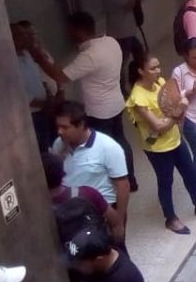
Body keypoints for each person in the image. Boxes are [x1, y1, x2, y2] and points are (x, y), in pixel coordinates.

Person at [30, 11, 136, 190]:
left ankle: (115, 182)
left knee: (104, 149)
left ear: (79, 30)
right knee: (121, 140)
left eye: (70, 31)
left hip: (99, 111)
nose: (68, 35)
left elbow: (60, 76)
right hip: (116, 103)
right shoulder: (110, 42)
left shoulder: (89, 56)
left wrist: (38, 56)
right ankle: (130, 180)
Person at [125, 51, 196, 234]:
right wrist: (179, 112)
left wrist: (177, 110)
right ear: (140, 71)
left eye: (158, 66)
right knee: (165, 181)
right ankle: (171, 218)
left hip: (175, 139)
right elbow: (159, 126)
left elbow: (173, 104)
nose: (158, 71)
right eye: (152, 68)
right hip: (157, 147)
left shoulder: (160, 83)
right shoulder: (138, 98)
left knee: (190, 173)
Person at [50, 101, 131, 234]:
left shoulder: (108, 147)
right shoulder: (59, 145)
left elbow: (123, 186)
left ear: (81, 125)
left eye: (65, 127)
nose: (59, 132)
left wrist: (118, 222)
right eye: (58, 127)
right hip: (71, 214)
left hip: (100, 213)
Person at [43, 151, 124, 244]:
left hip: (65, 256)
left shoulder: (35, 210)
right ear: (63, 173)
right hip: (95, 251)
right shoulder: (88, 193)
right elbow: (116, 223)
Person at [96, 0, 144, 80]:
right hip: (121, 32)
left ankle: (140, 77)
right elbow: (127, 5)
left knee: (140, 53)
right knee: (122, 61)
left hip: (127, 29)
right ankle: (122, 88)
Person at [11, 21, 56, 150]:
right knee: (43, 149)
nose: (26, 38)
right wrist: (44, 105)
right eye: (22, 35)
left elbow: (39, 78)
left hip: (45, 109)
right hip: (33, 115)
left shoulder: (27, 54)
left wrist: (49, 96)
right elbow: (19, 95)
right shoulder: (9, 62)